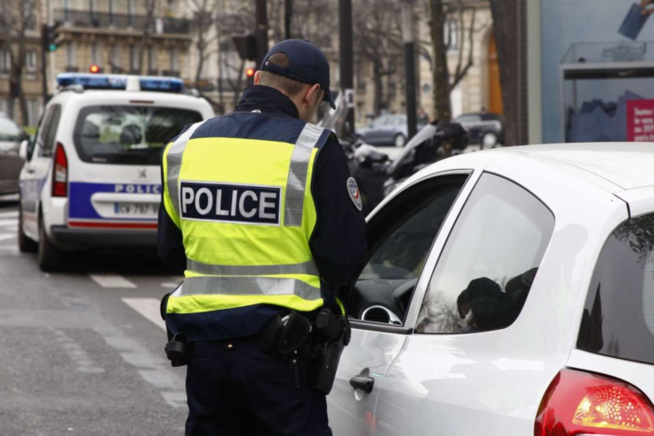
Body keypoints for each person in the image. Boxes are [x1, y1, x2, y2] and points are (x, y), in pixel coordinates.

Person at [157, 39, 367, 436]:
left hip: (204, 349)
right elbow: (344, 258)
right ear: (312, 94)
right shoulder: (313, 149)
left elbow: (169, 251)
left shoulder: (186, 145)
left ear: (257, 79)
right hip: (283, 355)